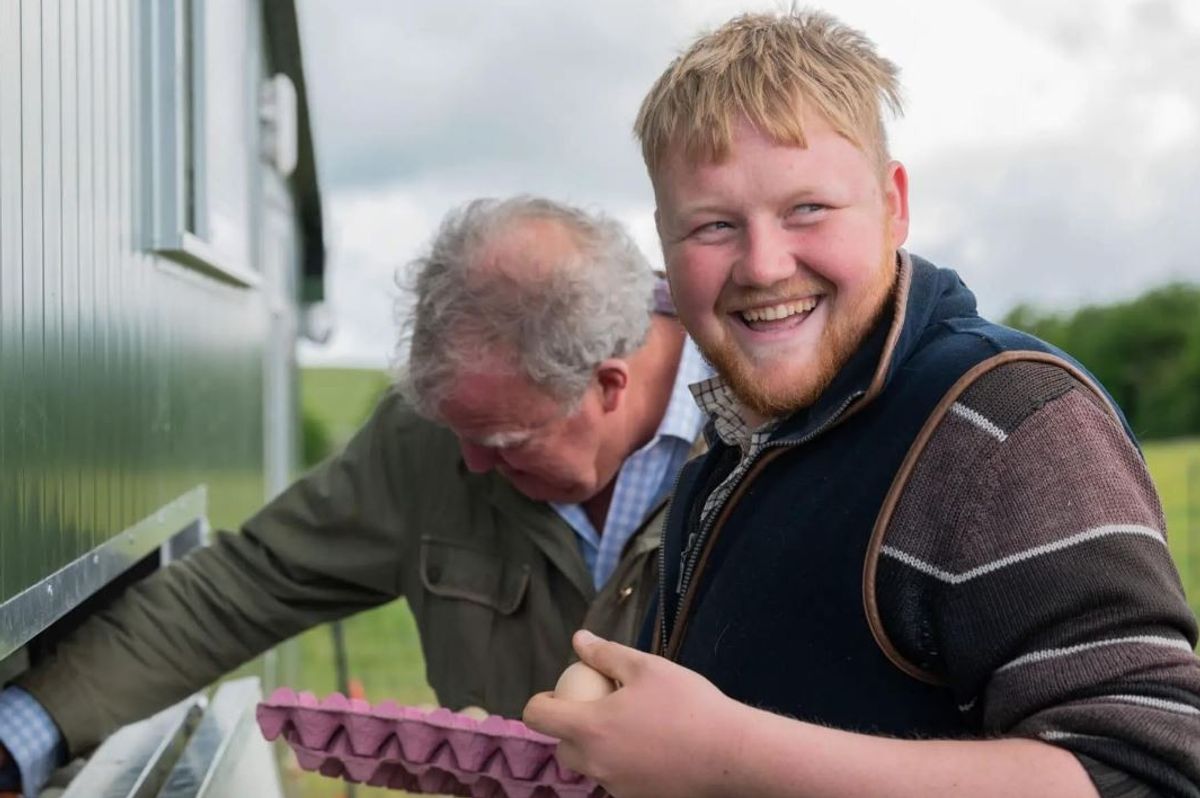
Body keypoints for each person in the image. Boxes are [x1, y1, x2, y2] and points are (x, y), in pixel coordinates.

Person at [523, 11, 1200, 798]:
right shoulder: (740, 436)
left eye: (807, 208)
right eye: (713, 225)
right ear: (664, 245)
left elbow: (1146, 772)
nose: (765, 265)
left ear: (894, 204)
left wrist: (725, 756)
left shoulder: (1005, 422)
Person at [0, 196, 710, 795]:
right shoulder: (431, 439)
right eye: (452, 431)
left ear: (608, 386)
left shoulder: (765, 439)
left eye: (499, 441)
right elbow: (240, 590)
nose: (467, 463)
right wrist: (23, 731)